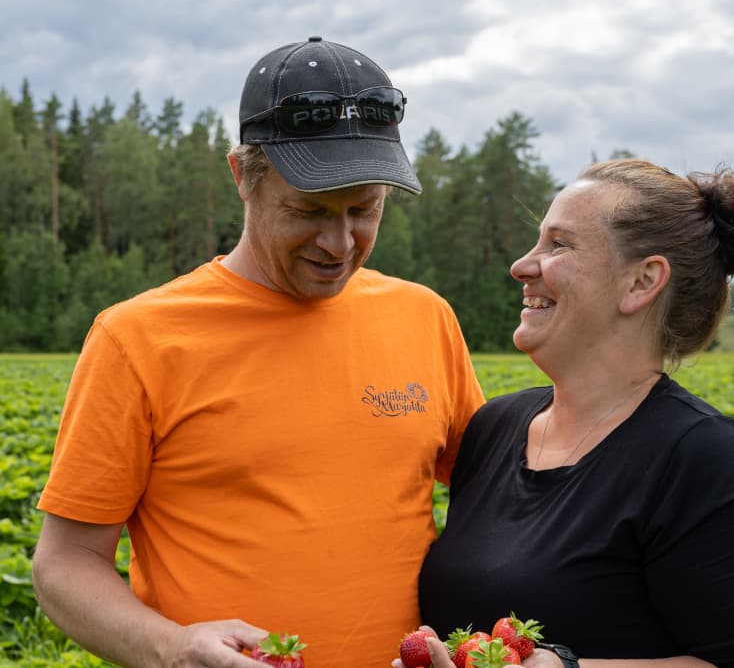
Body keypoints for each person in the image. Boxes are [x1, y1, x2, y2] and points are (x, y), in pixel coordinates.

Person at [31, 37, 486, 668]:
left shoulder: (424, 317)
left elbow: (499, 505)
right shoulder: (139, 338)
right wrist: (172, 646)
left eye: (364, 210)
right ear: (243, 176)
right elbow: (64, 565)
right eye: (308, 211)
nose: (339, 242)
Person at [409, 159, 734, 667]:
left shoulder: (704, 458)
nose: (521, 265)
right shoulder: (496, 428)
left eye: (558, 244)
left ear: (641, 282)